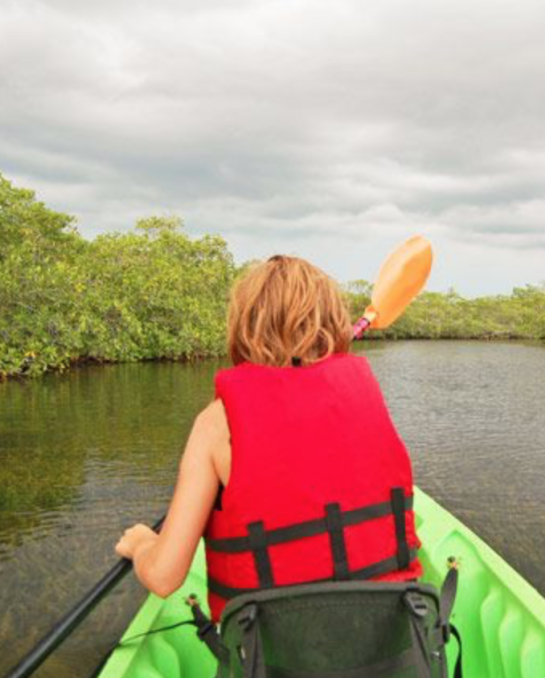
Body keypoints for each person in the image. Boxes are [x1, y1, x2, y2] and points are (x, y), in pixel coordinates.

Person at [114, 255, 422, 624]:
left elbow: (164, 577)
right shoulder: (366, 399)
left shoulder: (216, 423)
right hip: (390, 649)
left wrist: (142, 545)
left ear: (244, 326)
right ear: (333, 324)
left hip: (273, 657)